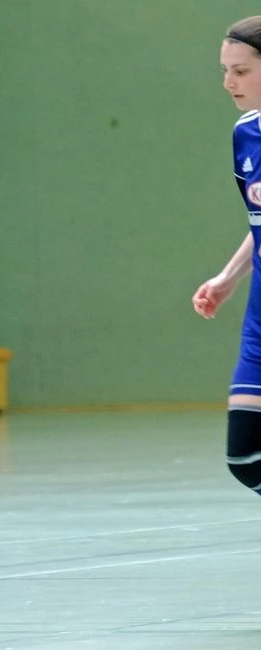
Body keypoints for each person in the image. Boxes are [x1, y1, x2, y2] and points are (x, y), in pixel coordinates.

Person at [193, 16, 261, 498]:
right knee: (245, 457)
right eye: (224, 70)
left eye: (240, 71)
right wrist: (229, 276)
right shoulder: (246, 136)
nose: (228, 83)